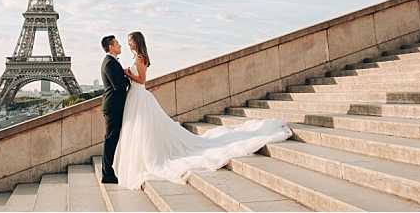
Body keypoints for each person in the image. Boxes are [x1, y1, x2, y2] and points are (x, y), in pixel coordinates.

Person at [112, 31, 293, 190]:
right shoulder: (137, 57)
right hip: (135, 97)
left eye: (130, 40)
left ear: (137, 41)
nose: (128, 43)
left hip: (140, 95)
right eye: (127, 41)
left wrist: (128, 73)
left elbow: (142, 80)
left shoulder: (141, 57)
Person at [100, 35, 131, 183]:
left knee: (112, 138)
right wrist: (128, 76)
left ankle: (109, 171)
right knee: (111, 139)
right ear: (111, 47)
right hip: (113, 107)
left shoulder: (111, 62)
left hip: (114, 106)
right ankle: (107, 174)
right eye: (117, 44)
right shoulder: (110, 63)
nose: (120, 46)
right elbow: (118, 86)